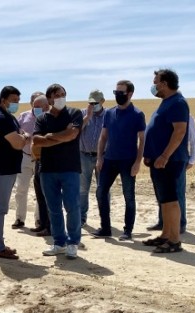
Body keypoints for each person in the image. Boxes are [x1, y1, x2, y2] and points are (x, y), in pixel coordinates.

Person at [32, 84, 83, 259]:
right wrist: (62, 135)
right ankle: (59, 242)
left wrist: (50, 137)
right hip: (47, 170)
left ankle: (73, 242)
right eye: (57, 95)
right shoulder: (42, 119)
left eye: (63, 94)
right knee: (53, 208)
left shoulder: (75, 113)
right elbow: (37, 141)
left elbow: (73, 135)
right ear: (49, 99)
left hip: (70, 168)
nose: (61, 97)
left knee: (72, 206)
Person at [143, 69, 190, 253]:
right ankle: (165, 235)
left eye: (156, 82)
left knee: (171, 200)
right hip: (158, 160)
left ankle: (175, 240)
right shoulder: (166, 102)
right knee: (163, 199)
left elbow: (179, 132)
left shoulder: (178, 103)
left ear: (164, 83)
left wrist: (164, 156)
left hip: (170, 160)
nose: (154, 86)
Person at [93, 80, 146, 241]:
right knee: (101, 192)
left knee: (128, 196)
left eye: (121, 93)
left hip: (128, 161)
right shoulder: (109, 113)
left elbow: (142, 140)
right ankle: (105, 228)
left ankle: (127, 230)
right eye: (116, 93)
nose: (118, 95)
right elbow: (103, 137)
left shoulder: (137, 114)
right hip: (109, 159)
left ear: (130, 94)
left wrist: (138, 162)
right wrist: (99, 157)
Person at [0, 86, 27, 259]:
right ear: (3, 101)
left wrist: (21, 136)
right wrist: (25, 138)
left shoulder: (8, 117)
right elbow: (17, 143)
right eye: (13, 100)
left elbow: (17, 136)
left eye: (17, 101)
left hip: (2, 169)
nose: (16, 104)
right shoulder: (2, 118)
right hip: (1, 170)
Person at [148, 115, 195, 232]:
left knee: (177, 193)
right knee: (161, 192)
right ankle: (163, 222)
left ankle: (180, 224)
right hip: (159, 160)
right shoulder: (159, 116)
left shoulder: (186, 117)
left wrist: (192, 160)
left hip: (177, 160)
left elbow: (194, 140)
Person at [11, 92, 41, 230]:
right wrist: (23, 136)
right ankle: (19, 218)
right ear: (31, 103)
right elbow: (15, 132)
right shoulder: (23, 116)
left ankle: (39, 219)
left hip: (41, 159)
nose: (38, 105)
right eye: (35, 101)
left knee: (40, 191)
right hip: (25, 156)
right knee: (21, 189)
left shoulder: (48, 116)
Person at [79, 89, 107, 225]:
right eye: (90, 102)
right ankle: (81, 217)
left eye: (96, 102)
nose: (93, 104)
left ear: (102, 101)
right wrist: (88, 117)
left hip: (103, 157)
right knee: (83, 189)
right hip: (84, 155)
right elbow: (76, 132)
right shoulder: (82, 114)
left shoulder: (109, 115)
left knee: (102, 189)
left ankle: (104, 218)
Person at [27, 94, 53, 236]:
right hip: (37, 161)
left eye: (38, 107)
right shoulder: (39, 120)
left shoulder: (50, 120)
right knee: (40, 195)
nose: (35, 109)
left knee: (48, 195)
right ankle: (42, 224)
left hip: (47, 162)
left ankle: (50, 227)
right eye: (34, 106)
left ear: (46, 106)